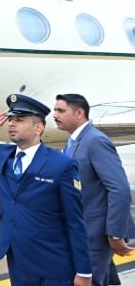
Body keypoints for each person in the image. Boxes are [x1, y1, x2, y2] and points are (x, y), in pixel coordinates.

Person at [0, 93, 92, 286]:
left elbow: (75, 220)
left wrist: (84, 271)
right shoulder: (2, 155)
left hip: (52, 263)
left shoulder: (62, 164)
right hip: (17, 258)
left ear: (38, 128)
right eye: (11, 119)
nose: (11, 124)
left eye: (20, 120)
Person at [54, 93, 133, 286]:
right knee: (106, 278)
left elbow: (119, 188)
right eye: (55, 110)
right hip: (82, 230)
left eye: (61, 110)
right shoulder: (74, 141)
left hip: (95, 233)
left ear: (79, 112)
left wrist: (114, 233)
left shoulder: (95, 140)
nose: (55, 115)